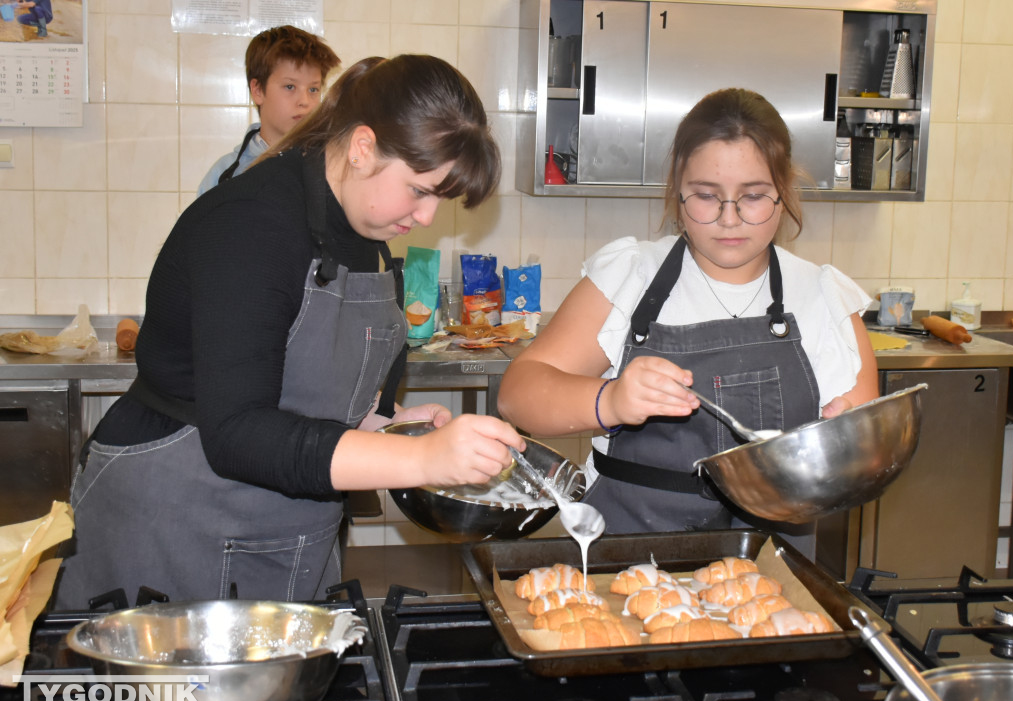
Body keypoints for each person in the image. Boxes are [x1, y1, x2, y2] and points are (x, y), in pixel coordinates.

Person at [54, 55, 523, 608]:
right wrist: (422, 461)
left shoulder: (362, 236)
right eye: (420, 191)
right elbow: (237, 433)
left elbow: (293, 384)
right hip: (173, 524)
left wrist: (385, 425)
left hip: (286, 527)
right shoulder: (250, 223)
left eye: (439, 200)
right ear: (363, 146)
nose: (426, 218)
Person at [497, 88, 878, 555]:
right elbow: (518, 396)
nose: (729, 219)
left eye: (754, 197)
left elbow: (860, 458)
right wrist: (610, 400)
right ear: (678, 191)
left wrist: (845, 446)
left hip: (771, 576)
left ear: (784, 192)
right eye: (705, 196)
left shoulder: (823, 299)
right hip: (630, 561)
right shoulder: (629, 278)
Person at [196, 25, 340, 196]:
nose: (304, 101)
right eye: (290, 86)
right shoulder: (224, 175)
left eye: (313, 89)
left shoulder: (333, 169)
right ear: (257, 91)